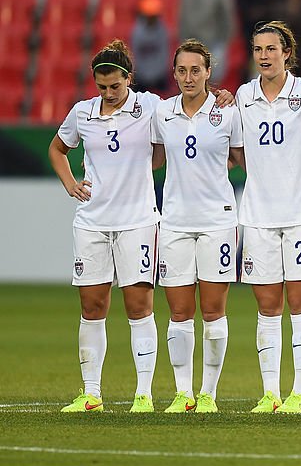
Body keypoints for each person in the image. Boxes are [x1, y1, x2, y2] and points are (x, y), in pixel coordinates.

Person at [49, 39, 231, 413]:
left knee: (139, 306)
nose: (109, 93)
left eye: (115, 86)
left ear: (128, 78)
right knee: (92, 306)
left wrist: (222, 95)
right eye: (102, 87)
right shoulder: (82, 112)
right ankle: (91, 394)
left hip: (139, 221)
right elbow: (57, 148)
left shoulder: (150, 106)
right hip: (92, 221)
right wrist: (70, 183)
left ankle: (143, 394)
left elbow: (169, 141)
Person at [237, 21, 301, 414]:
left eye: (271, 48)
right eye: (258, 49)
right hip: (257, 213)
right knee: (267, 306)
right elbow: (236, 149)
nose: (264, 56)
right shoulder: (241, 96)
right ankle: (270, 392)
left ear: (287, 52)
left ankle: (300, 394)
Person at [151, 39, 243, 414]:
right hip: (173, 220)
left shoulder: (228, 113)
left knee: (213, 311)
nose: (188, 77)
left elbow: (239, 157)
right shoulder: (162, 112)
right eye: (182, 70)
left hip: (217, 220)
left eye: (196, 70)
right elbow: (154, 158)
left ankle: (208, 393)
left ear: (209, 72)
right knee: (178, 311)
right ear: (173, 73)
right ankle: (182, 392)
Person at [178, 0, 235, 85]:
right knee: (193, 80)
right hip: (192, 41)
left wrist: (224, 41)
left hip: (215, 42)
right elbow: (183, 17)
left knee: (214, 81)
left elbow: (227, 16)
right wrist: (183, 40)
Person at [130, 0, 170, 95]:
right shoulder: (137, 31)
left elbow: (164, 55)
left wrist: (156, 75)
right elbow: (135, 56)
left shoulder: (162, 30)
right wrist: (145, 76)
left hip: (159, 76)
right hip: (141, 77)